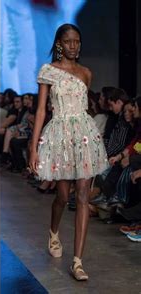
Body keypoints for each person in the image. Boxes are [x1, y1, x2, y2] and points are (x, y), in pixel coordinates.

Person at [29, 24, 108, 281]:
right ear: (60, 44)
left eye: (77, 41)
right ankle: (53, 232)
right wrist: (34, 146)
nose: (73, 46)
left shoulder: (86, 73)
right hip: (60, 136)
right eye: (68, 41)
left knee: (83, 195)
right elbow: (41, 110)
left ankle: (77, 262)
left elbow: (84, 108)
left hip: (84, 136)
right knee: (62, 196)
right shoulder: (48, 71)